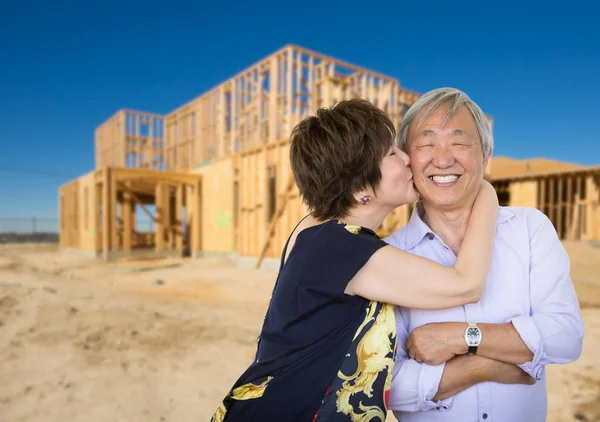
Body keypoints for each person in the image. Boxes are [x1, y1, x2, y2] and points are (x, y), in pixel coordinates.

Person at [211, 98, 499, 422]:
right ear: (361, 183)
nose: (407, 159)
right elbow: (466, 285)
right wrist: (484, 189)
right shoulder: (342, 248)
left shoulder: (314, 230)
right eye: (392, 153)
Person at [385, 87, 584, 422]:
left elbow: (565, 337)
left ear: (485, 157)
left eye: (459, 143)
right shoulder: (388, 256)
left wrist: (461, 337)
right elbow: (386, 386)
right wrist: (481, 366)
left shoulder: (529, 229)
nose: (443, 159)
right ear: (407, 160)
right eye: (426, 143)